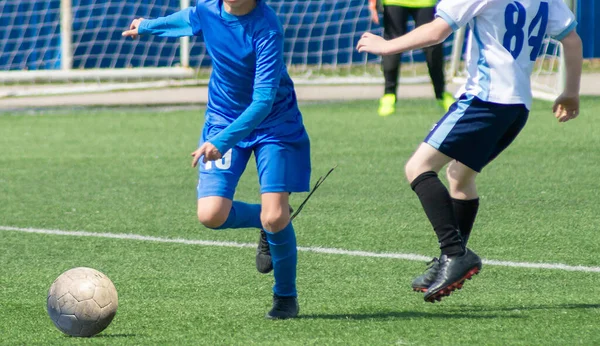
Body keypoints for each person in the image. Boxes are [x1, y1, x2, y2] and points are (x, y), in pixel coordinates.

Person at [358, 0, 582, 302]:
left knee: (417, 168)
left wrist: (387, 46)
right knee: (460, 176)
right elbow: (571, 38)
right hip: (518, 107)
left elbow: (437, 32)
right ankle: (450, 260)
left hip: (485, 101)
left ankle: (454, 253)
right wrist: (570, 92)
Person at [122, 0, 311, 319]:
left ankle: (285, 298)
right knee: (211, 215)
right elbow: (183, 20)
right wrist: (147, 25)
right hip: (222, 120)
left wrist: (222, 143)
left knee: (276, 218)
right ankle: (265, 221)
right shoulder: (207, 11)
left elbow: (263, 101)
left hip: (274, 124)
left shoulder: (267, 27)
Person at [368, 0, 456, 117]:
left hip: (425, 2)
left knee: (433, 47)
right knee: (391, 44)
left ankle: (441, 94)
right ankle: (389, 95)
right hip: (393, 2)